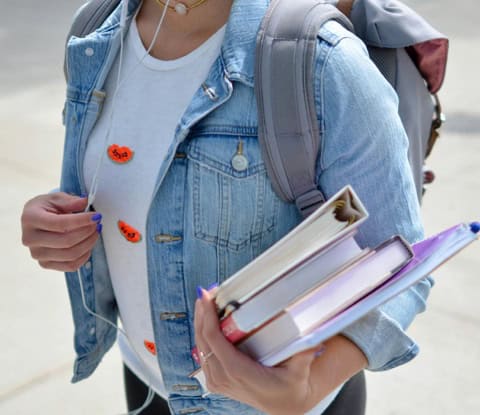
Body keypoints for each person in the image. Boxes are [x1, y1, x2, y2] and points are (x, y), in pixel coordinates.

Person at [21, 0, 433, 414]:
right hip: (147, 384)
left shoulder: (322, 61)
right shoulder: (95, 32)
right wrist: (56, 226)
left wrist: (306, 390)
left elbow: (400, 263)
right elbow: (121, 184)